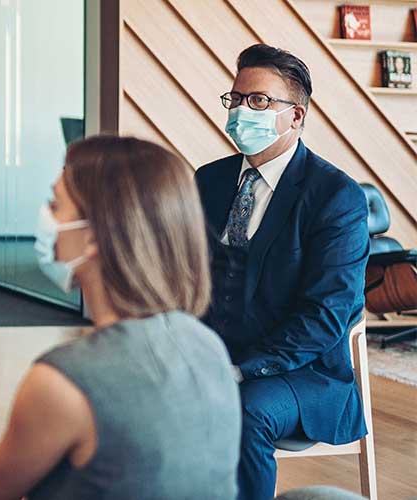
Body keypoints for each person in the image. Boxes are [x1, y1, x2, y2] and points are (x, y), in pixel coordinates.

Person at [0, 136, 240, 500]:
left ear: (93, 237)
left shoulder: (63, 381)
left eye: (55, 205)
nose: (45, 217)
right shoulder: (207, 346)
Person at [198, 44, 370, 500]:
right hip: (214, 355)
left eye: (259, 101)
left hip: (303, 373)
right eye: (236, 99)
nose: (241, 111)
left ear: (296, 116)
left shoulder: (336, 197)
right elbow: (184, 280)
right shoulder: (208, 181)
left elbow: (327, 315)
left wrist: (242, 370)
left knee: (243, 411)